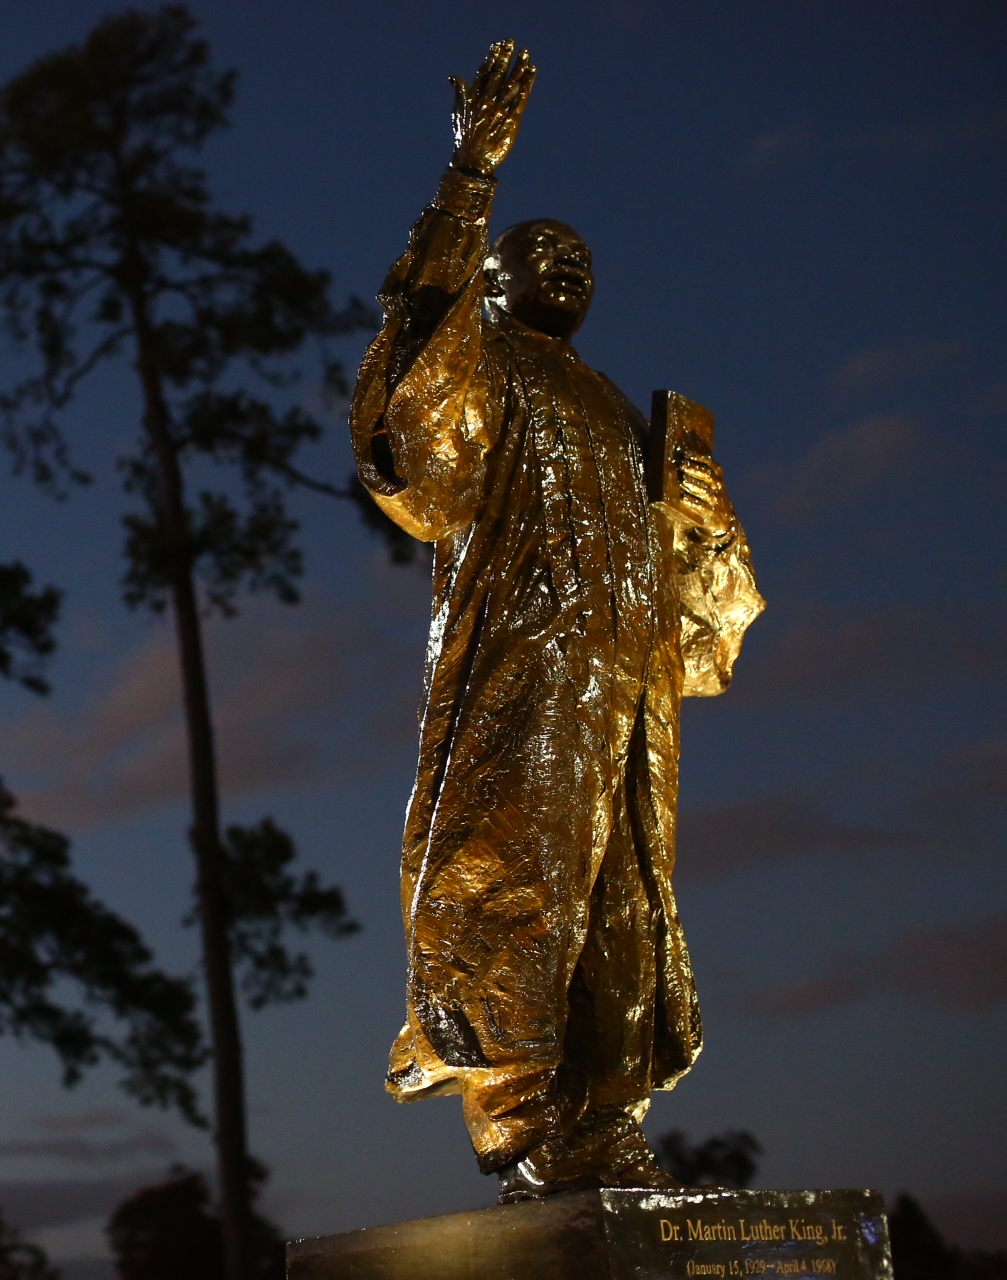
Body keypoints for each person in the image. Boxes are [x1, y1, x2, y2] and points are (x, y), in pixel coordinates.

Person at [348, 40, 765, 1200]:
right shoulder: (491, 370)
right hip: (526, 679)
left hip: (624, 700)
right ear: (490, 280)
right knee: (516, 882)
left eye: (581, 255)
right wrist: (468, 181)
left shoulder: (627, 415)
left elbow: (701, 621)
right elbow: (408, 426)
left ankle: (605, 1119)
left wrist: (704, 521)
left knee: (623, 901)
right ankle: (524, 1122)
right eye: (538, 252)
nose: (566, 265)